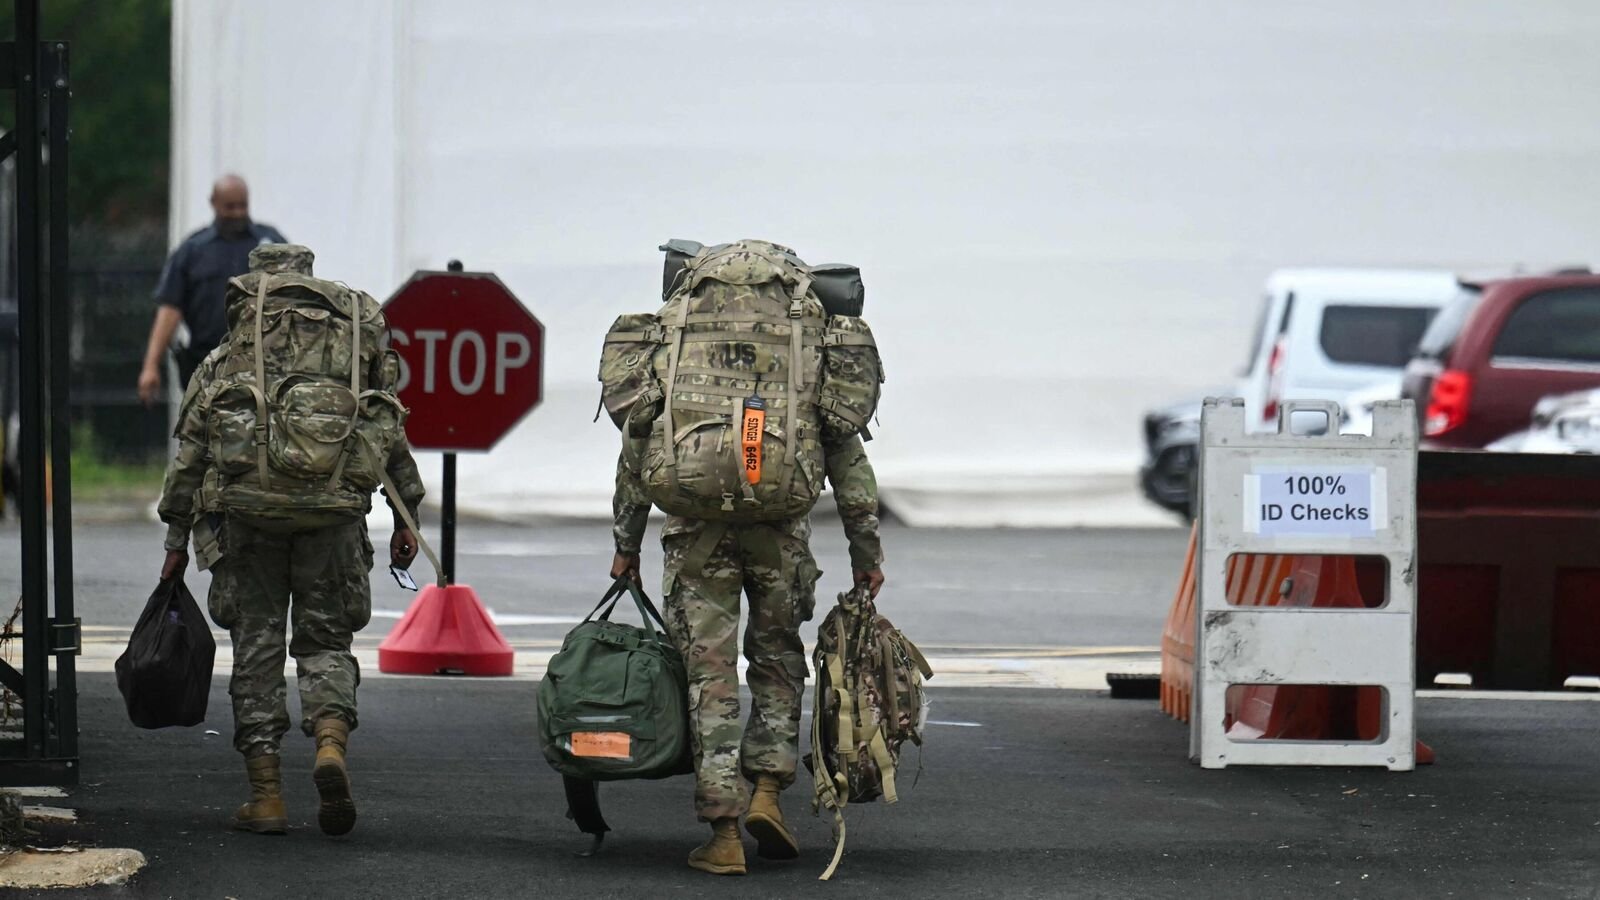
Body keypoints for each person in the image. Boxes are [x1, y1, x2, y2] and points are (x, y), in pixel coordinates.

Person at [607, 240, 886, 876]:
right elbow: (846, 454)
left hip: (694, 526)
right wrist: (865, 549)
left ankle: (724, 830)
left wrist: (626, 544)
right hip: (779, 528)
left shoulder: (674, 333)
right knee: (778, 659)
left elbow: (635, 447)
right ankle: (768, 792)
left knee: (709, 673)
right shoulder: (811, 336)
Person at [156, 244, 425, 838]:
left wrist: (177, 534)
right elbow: (389, 427)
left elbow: (194, 446)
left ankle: (267, 796)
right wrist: (407, 515)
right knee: (326, 639)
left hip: (248, 516)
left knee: (256, 649)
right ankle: (330, 743)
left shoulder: (234, 349)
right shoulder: (353, 339)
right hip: (332, 514)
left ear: (257, 283)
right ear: (309, 278)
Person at [138, 174, 287, 405]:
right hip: (209, 366)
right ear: (214, 203)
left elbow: (297, 299)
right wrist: (150, 366)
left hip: (266, 364)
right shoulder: (193, 251)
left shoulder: (271, 243)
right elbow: (170, 309)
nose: (238, 213)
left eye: (242, 206)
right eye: (230, 206)